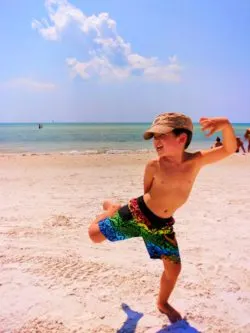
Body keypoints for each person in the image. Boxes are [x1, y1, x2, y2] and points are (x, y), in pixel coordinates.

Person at [88, 113, 236, 323]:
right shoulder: (154, 165)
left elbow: (229, 149)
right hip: (137, 213)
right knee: (94, 236)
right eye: (153, 137)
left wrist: (226, 125)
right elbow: (147, 191)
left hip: (162, 226)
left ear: (181, 138)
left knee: (173, 269)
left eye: (161, 136)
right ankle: (111, 208)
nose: (156, 142)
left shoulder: (196, 161)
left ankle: (162, 302)